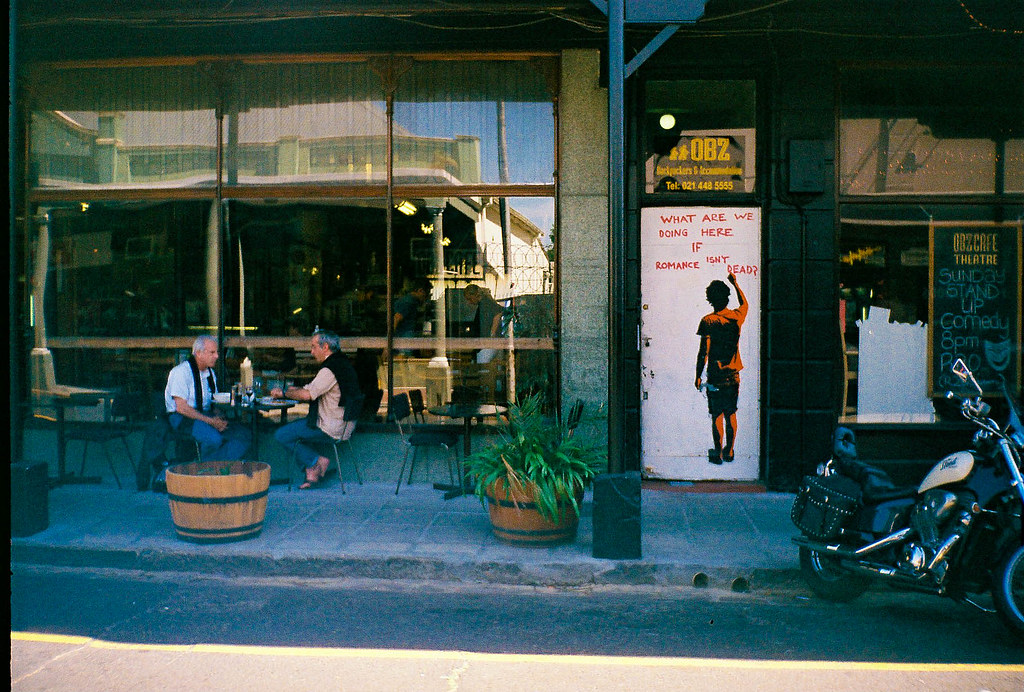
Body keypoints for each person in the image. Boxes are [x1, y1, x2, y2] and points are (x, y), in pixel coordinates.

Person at [271, 329, 362, 489]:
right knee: (299, 427)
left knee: (282, 434)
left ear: (325, 347)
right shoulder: (342, 363)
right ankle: (311, 471)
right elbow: (312, 388)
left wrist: (284, 393)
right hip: (345, 424)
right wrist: (294, 391)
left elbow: (308, 395)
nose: (311, 352)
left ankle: (316, 462)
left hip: (331, 427)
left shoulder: (329, 370)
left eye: (314, 347)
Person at [164, 335, 251, 461]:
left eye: (217, 352)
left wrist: (219, 419)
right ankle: (208, 470)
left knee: (244, 435)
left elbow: (212, 402)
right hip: (183, 417)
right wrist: (211, 422)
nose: (217, 356)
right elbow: (181, 408)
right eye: (212, 352)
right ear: (198, 353)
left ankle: (214, 466)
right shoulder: (181, 372)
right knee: (214, 439)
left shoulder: (210, 373)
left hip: (205, 415)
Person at [694, 272, 748, 465]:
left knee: (716, 414)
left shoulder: (708, 321)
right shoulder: (736, 317)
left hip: (715, 375)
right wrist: (735, 284)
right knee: (731, 413)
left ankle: (717, 452)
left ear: (710, 299)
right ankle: (730, 450)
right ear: (726, 297)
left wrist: (698, 375)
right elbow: (745, 304)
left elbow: (704, 352)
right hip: (733, 374)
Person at [463, 283, 503, 363]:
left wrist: (492, 334)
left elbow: (498, 314)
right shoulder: (484, 304)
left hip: (487, 344)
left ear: (476, 295)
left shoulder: (486, 303)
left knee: (482, 368)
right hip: (486, 343)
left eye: (470, 299)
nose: (469, 302)